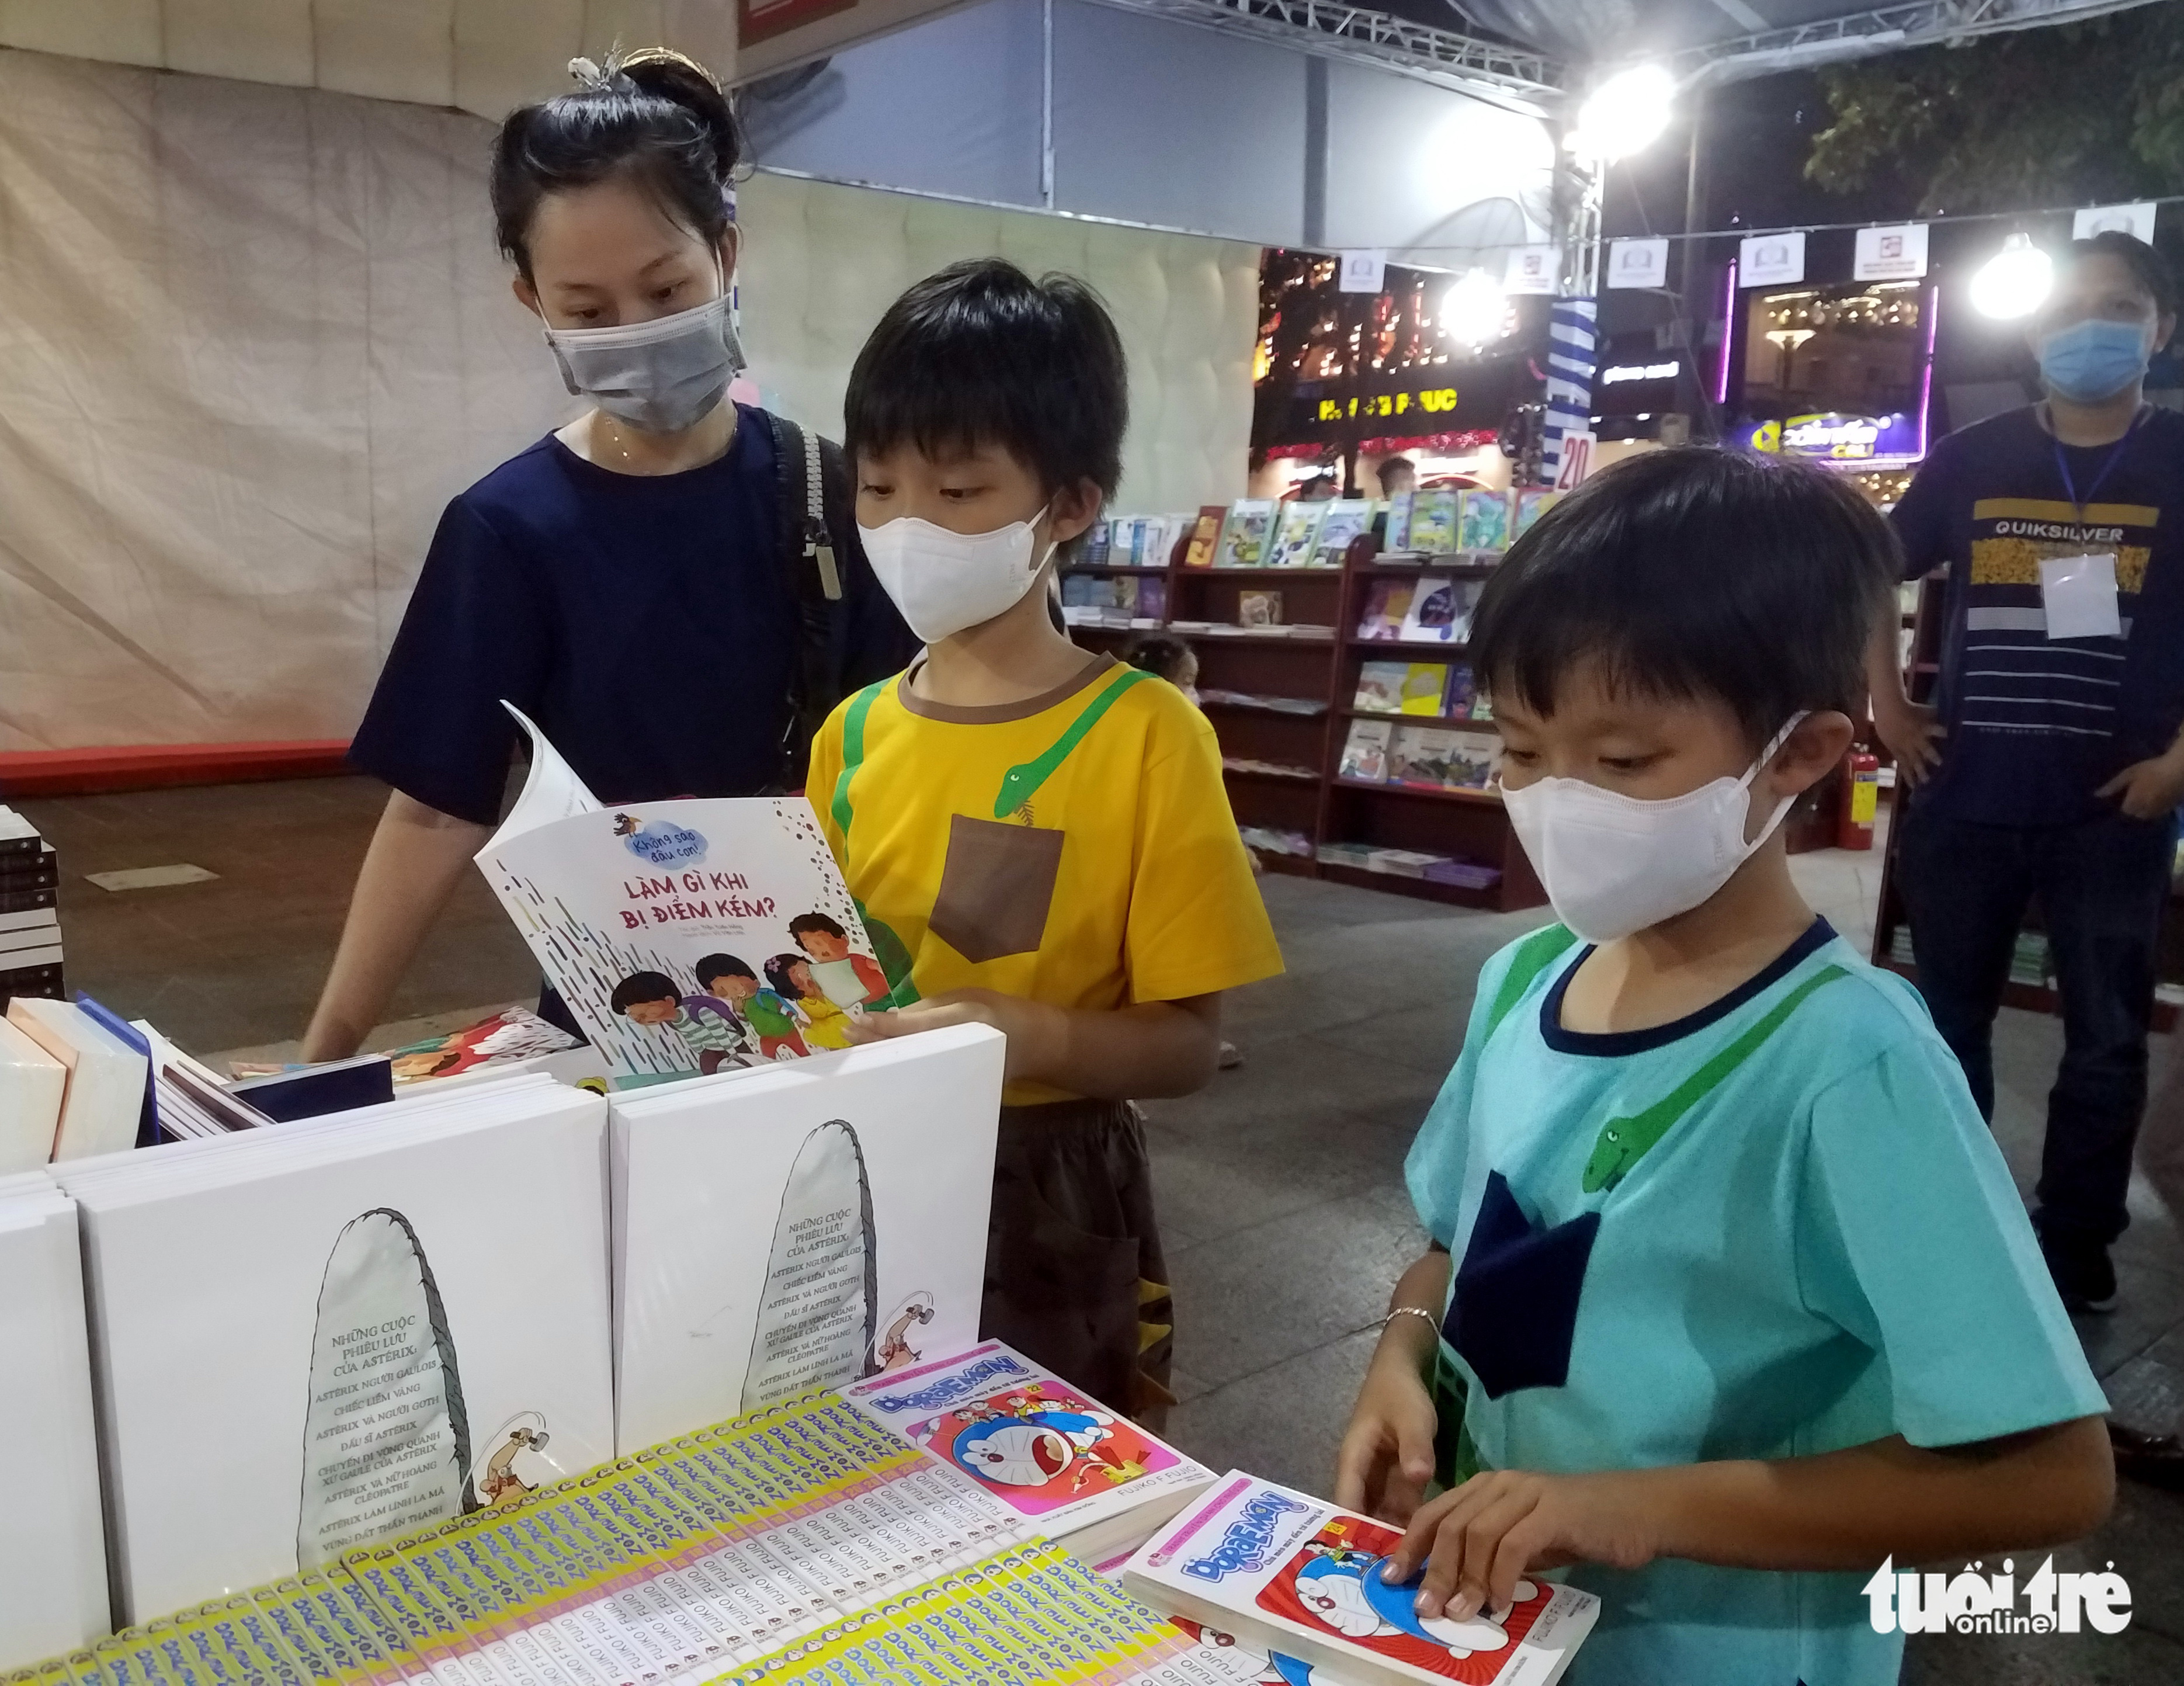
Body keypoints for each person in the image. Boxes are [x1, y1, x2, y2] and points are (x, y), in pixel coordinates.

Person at [1338, 449, 2111, 1686]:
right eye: (1521, 751)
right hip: (1509, 1631)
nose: (1556, 803)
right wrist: (1402, 1356)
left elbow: (2051, 1472)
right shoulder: (1524, 979)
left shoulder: (1851, 1060)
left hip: (1724, 1653)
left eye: (1625, 762)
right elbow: (1459, 1238)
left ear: (1802, 753)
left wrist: (1629, 1510)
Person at [302, 48, 912, 1061]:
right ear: (532, 305)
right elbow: (431, 814)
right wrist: (323, 1051)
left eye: (666, 287)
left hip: (832, 1002)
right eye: (588, 312)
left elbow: (915, 762)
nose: (635, 331)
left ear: (726, 254)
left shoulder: (834, 491)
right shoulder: (507, 528)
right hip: (614, 1016)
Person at [807, 258, 1283, 1414]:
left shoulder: (1145, 736)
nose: (905, 525)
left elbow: (1181, 1050)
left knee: (1042, 1494)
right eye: (877, 487)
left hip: (1049, 1192)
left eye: (958, 494)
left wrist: (1016, 1032)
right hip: (860, 1161)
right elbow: (817, 968)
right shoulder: (852, 732)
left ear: (1066, 506)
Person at [1868, 230, 2184, 1314]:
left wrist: (2180, 765)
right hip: (1967, 797)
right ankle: (1954, 1225)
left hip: (2116, 807)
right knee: (1944, 1026)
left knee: (2104, 1042)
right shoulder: (1972, 456)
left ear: (2161, 328)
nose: (2087, 328)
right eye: (2065, 310)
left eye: (2116, 306)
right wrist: (1888, 705)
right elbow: (1870, 567)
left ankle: (2072, 1250)